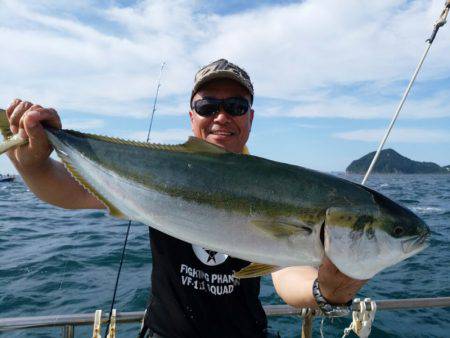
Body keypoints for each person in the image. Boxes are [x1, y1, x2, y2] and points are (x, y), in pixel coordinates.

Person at [5, 59, 366, 338]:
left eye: (236, 106)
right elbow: (65, 191)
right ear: (192, 117)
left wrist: (326, 291)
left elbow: (288, 273)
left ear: (251, 118)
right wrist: (32, 163)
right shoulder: (160, 170)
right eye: (208, 106)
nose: (221, 116)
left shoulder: (278, 188)